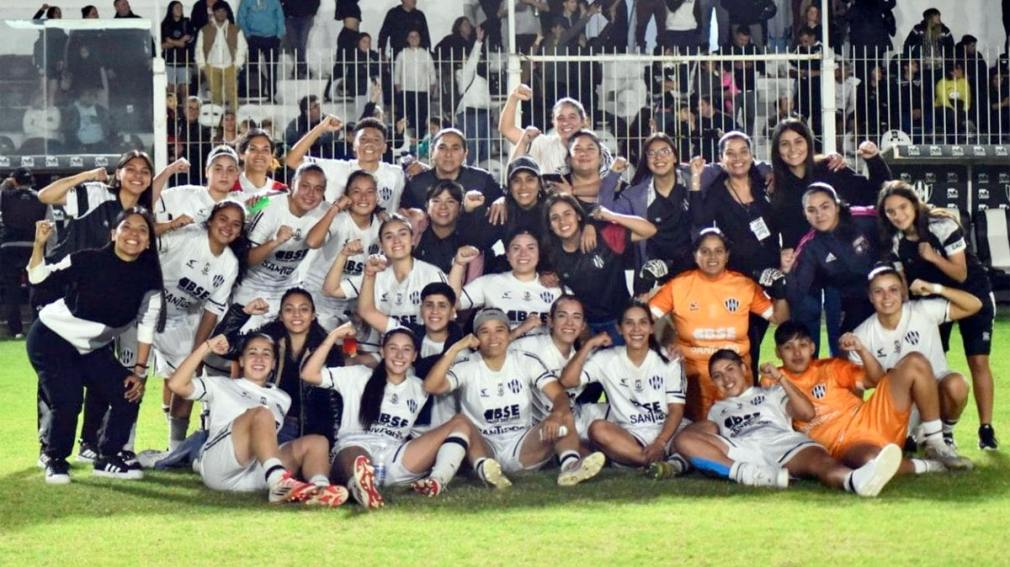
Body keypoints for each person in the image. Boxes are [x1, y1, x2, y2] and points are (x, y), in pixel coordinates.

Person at [27, 208, 163, 484]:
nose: (134, 234)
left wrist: (138, 372)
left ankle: (107, 457)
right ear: (113, 234)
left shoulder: (149, 279)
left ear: (149, 241)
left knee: (129, 392)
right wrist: (39, 244)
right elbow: (38, 278)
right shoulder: (86, 259)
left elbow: (146, 327)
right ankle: (55, 459)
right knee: (68, 400)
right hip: (51, 338)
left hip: (90, 348)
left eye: (142, 230)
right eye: (126, 227)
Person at [674, 349, 903, 496]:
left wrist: (781, 378)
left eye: (730, 369)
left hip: (782, 441)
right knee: (684, 439)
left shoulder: (771, 392)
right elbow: (700, 443)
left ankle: (854, 480)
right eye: (717, 376)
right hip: (744, 449)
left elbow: (807, 413)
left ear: (744, 368)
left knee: (821, 462)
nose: (725, 378)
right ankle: (756, 475)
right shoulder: (717, 410)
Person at [424, 308, 607, 488]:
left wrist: (556, 415)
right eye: (485, 331)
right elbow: (431, 386)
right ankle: (486, 472)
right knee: (461, 422)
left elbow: (559, 394)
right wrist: (456, 348)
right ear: (476, 337)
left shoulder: (525, 360)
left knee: (563, 412)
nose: (493, 337)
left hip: (523, 445)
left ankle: (570, 467)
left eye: (499, 330)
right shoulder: (467, 365)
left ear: (508, 333)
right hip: (485, 446)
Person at [878, 181, 999, 450]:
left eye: (902, 207)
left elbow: (961, 274)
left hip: (970, 294)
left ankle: (986, 429)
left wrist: (933, 257)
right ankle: (931, 430)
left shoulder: (941, 224)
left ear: (914, 204)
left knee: (978, 360)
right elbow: (902, 283)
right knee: (928, 364)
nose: (898, 215)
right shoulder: (894, 239)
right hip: (933, 302)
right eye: (890, 211)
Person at [168, 333, 348, 506]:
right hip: (220, 467)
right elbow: (176, 384)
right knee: (261, 413)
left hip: (257, 472)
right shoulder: (221, 384)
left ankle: (321, 489)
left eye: (266, 354)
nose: (259, 359)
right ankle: (279, 482)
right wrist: (206, 347)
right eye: (252, 353)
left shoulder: (282, 398)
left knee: (318, 442)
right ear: (241, 360)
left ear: (274, 363)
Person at [302, 325, 474, 505]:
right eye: (393, 348)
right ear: (382, 351)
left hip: (394, 457)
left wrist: (456, 348)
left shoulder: (419, 388)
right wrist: (334, 335)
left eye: (406, 350)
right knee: (358, 458)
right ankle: (360, 486)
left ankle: (436, 481)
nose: (399, 355)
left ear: (414, 356)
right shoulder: (357, 375)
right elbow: (308, 374)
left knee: (460, 423)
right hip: (356, 446)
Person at [772, 320, 971, 472]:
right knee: (871, 461)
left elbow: (876, 381)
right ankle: (931, 466)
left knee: (915, 361)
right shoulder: (772, 380)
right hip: (847, 444)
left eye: (802, 345)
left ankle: (935, 443)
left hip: (872, 417)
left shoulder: (830, 367)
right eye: (788, 347)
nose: (797, 353)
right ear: (778, 353)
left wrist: (861, 350)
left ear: (812, 347)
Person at [649, 228, 788, 421]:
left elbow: (779, 319)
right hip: (694, 375)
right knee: (699, 429)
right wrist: (644, 288)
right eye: (705, 251)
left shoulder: (744, 285)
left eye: (718, 251)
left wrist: (779, 293)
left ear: (727, 255)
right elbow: (644, 320)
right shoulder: (678, 285)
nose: (712, 257)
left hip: (736, 373)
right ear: (695, 255)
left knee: (742, 427)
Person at [850, 265, 982, 452]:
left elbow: (974, 305)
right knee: (914, 362)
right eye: (878, 291)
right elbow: (857, 387)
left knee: (957, 384)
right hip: (900, 404)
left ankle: (944, 435)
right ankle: (914, 436)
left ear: (903, 292)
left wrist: (936, 288)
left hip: (935, 393)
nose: (886, 297)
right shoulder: (862, 335)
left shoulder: (922, 311)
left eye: (893, 290)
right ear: (870, 296)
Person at [153, 200, 245, 452]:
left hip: (178, 321)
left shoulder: (229, 264)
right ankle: (120, 445)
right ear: (211, 220)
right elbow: (145, 238)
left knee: (189, 377)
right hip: (142, 309)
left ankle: (175, 449)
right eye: (223, 219)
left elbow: (211, 313)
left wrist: (198, 353)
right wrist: (169, 226)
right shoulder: (187, 237)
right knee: (131, 376)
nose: (228, 227)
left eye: (236, 224)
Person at [689, 133, 783, 373]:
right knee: (745, 339)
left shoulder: (764, 181)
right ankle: (744, 385)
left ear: (752, 155)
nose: (737, 158)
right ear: (721, 159)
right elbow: (700, 219)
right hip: (739, 277)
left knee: (764, 336)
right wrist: (696, 178)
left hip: (771, 272)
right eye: (730, 153)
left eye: (743, 151)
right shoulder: (718, 191)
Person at [559, 302, 688, 472]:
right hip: (631, 435)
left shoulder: (669, 359)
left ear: (651, 328)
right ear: (619, 329)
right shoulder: (606, 359)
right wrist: (589, 344)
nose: (636, 329)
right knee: (597, 429)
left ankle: (633, 460)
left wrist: (660, 442)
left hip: (668, 432)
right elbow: (567, 381)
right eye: (629, 323)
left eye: (643, 322)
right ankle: (661, 464)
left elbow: (676, 410)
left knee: (703, 429)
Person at [541, 193, 656, 341]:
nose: (562, 221)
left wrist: (610, 216)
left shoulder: (605, 236)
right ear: (550, 226)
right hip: (585, 327)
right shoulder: (551, 254)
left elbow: (649, 230)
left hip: (619, 321)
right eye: (555, 218)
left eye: (567, 214)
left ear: (578, 216)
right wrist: (546, 276)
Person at [231, 163, 327, 327]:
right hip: (252, 285)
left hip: (287, 287)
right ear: (293, 184)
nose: (311, 194)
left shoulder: (324, 212)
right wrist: (275, 242)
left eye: (318, 189)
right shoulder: (269, 204)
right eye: (305, 186)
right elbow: (248, 260)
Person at [785, 183, 881, 337]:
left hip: (890, 293)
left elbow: (897, 219)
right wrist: (787, 271)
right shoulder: (810, 246)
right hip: (855, 303)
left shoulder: (864, 218)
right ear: (805, 214)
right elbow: (797, 294)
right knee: (846, 344)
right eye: (811, 210)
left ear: (836, 206)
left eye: (825, 207)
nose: (819, 215)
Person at [325, 214, 447, 330]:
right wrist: (343, 254)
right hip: (387, 342)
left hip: (425, 340)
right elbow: (331, 290)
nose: (396, 240)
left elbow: (447, 314)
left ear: (412, 240)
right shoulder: (374, 274)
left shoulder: (432, 274)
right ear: (381, 245)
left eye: (402, 234)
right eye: (389, 236)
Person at [303, 170, 381, 330]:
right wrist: (335, 208)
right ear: (347, 196)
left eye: (369, 192)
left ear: (377, 196)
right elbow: (312, 242)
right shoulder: (339, 220)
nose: (363, 197)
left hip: (349, 306)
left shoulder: (381, 227)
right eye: (356, 191)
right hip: (317, 301)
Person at [449, 230, 563, 332]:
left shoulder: (556, 288)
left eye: (531, 248)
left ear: (539, 254)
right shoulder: (489, 283)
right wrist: (459, 264)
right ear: (507, 254)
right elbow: (453, 302)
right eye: (516, 248)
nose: (523, 253)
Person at [620, 133, 694, 289]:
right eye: (652, 153)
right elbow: (606, 210)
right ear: (646, 161)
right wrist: (613, 175)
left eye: (665, 151)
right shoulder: (635, 195)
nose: (658, 157)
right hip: (652, 274)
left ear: (675, 157)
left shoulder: (693, 179)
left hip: (691, 271)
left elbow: (728, 166)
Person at [286, 116, 405, 211]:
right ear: (354, 146)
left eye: (376, 140)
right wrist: (321, 128)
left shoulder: (396, 173)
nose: (369, 143)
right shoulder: (337, 168)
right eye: (363, 139)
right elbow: (292, 160)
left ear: (384, 148)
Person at [403, 128, 502, 210]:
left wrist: (502, 201)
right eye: (442, 148)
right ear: (432, 152)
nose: (448, 154)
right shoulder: (417, 184)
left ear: (465, 153)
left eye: (455, 148)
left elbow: (501, 199)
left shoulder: (481, 179)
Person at [499, 86, 589, 175]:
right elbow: (507, 129)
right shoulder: (545, 144)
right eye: (560, 118)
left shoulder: (594, 147)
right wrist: (514, 97)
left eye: (572, 117)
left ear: (582, 121)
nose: (565, 122)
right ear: (553, 122)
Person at [154, 145, 241, 235]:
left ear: (237, 175)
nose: (224, 175)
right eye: (218, 169)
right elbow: (147, 200)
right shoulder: (185, 194)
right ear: (206, 172)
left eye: (230, 170)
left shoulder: (240, 202)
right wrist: (169, 170)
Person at [0, 169, 46, 338]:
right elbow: (49, 225)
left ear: (15, 181)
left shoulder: (5, 196)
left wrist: (5, 186)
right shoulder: (41, 197)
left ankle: (16, 331)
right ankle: (36, 326)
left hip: (9, 246)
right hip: (33, 247)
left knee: (11, 290)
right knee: (36, 286)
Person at [196, 2, 248, 112]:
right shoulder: (205, 30)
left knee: (232, 95)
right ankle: (218, 119)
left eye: (223, 11)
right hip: (211, 66)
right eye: (218, 11)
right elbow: (199, 48)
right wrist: (202, 66)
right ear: (213, 13)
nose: (221, 13)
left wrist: (237, 65)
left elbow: (242, 47)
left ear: (227, 13)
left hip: (230, 66)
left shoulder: (235, 30)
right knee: (215, 96)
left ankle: (235, 118)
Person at [236, 0, 284, 101]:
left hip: (272, 38)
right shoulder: (246, 1)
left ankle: (272, 95)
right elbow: (241, 18)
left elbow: (280, 18)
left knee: (272, 68)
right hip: (254, 37)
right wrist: (247, 34)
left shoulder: (274, 1)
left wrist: (279, 36)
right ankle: (254, 92)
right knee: (253, 67)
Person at [393, 29, 438, 135]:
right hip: (406, 91)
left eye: (416, 36)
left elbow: (432, 73)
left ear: (420, 38)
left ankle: (419, 140)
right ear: (407, 39)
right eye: (411, 36)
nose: (414, 38)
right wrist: (399, 90)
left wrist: (430, 90)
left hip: (422, 92)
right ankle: (401, 140)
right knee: (403, 118)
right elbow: (397, 73)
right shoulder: (402, 54)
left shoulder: (425, 54)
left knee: (420, 119)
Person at [234, 128, 288, 196]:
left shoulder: (281, 191)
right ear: (241, 154)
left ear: (272, 156)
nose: (260, 154)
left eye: (265, 150)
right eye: (253, 149)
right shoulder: (229, 188)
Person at [160, 1, 196, 101]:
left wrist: (171, 41)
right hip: (169, 61)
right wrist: (180, 41)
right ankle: (170, 110)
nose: (179, 9)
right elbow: (162, 45)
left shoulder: (187, 23)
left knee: (184, 90)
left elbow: (186, 43)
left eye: (181, 7)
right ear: (171, 10)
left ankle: (185, 109)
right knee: (170, 90)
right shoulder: (165, 25)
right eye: (177, 7)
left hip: (184, 61)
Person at [281, 0, 319, 78]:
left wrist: (312, 12)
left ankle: (298, 68)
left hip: (306, 17)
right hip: (290, 18)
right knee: (294, 44)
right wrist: (285, 12)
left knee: (301, 44)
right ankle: (303, 68)